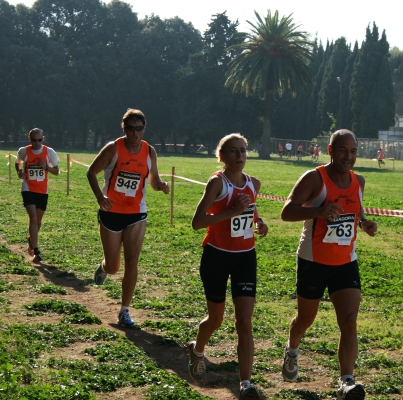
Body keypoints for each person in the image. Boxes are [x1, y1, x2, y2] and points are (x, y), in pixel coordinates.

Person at [280, 129, 377, 400]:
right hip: (313, 260)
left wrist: (364, 223)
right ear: (331, 150)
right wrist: (318, 211)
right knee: (305, 320)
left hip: (345, 261)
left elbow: (356, 211)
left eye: (353, 151)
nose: (349, 156)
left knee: (348, 319)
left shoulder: (359, 181)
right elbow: (286, 211)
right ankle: (292, 349)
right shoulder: (314, 178)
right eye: (343, 151)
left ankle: (346, 381)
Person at [187, 133, 268, 400]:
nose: (239, 155)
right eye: (233, 151)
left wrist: (259, 222)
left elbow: (250, 211)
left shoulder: (253, 183)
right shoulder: (217, 183)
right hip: (216, 257)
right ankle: (197, 350)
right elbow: (197, 222)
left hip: (246, 257)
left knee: (244, 322)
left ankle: (245, 384)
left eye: (243, 150)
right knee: (217, 319)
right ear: (221, 156)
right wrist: (231, 212)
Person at [86, 109, 169, 328]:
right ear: (124, 128)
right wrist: (100, 196)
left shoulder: (149, 151)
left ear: (144, 129)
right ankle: (104, 267)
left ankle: (125, 310)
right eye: (130, 128)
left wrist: (160, 185)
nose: (135, 133)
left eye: (139, 128)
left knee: (132, 261)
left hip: (136, 213)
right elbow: (91, 172)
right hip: (111, 212)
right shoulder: (113, 148)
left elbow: (152, 179)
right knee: (114, 266)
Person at [15, 128, 60, 263]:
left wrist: (46, 167)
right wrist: (19, 172)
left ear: (43, 139)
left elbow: (57, 171)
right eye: (34, 140)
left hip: (42, 191)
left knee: (38, 221)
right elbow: (18, 162)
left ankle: (31, 239)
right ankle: (36, 251)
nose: (36, 143)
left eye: (39, 140)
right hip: (27, 188)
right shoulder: (24, 151)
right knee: (33, 218)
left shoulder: (49, 152)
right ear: (30, 139)